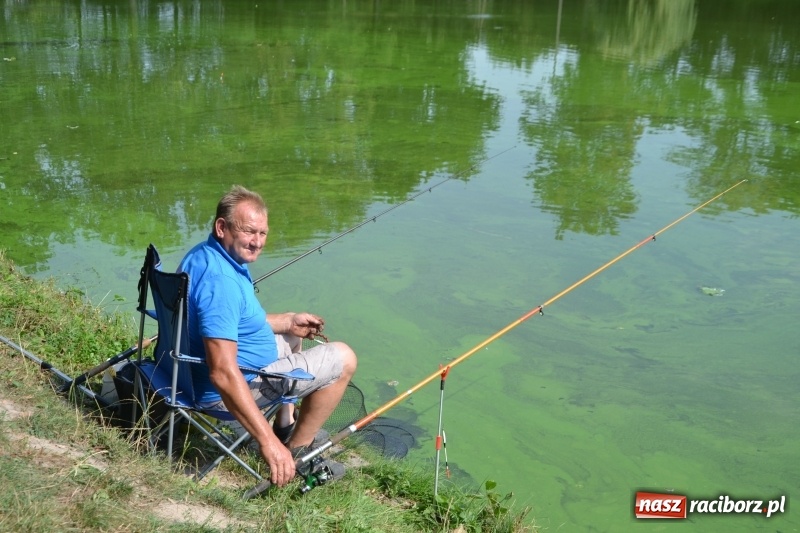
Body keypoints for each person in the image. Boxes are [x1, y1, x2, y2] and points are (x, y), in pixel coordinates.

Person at [178, 185, 357, 487]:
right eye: (249, 231)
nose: (257, 242)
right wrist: (266, 443)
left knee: (291, 335)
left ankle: (285, 425)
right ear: (222, 227)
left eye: (263, 233)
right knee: (344, 359)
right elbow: (222, 372)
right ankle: (296, 452)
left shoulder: (205, 255)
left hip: (185, 370)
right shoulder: (221, 282)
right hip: (223, 389)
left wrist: (287, 321)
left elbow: (228, 322)